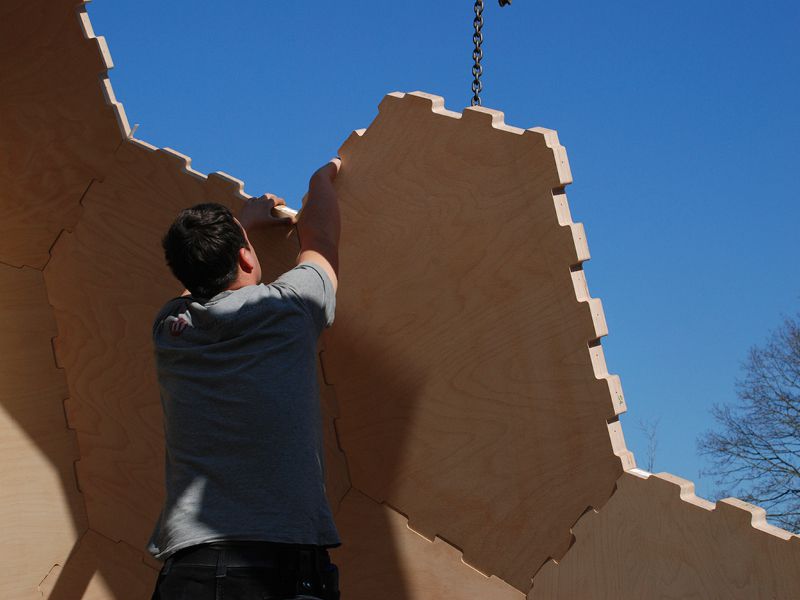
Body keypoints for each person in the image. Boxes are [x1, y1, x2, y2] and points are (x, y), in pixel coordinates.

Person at [147, 158, 343, 600]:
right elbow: (322, 240)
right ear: (244, 254)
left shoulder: (171, 329)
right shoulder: (289, 310)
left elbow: (193, 285)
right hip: (280, 562)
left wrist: (243, 227)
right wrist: (322, 179)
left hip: (190, 565)